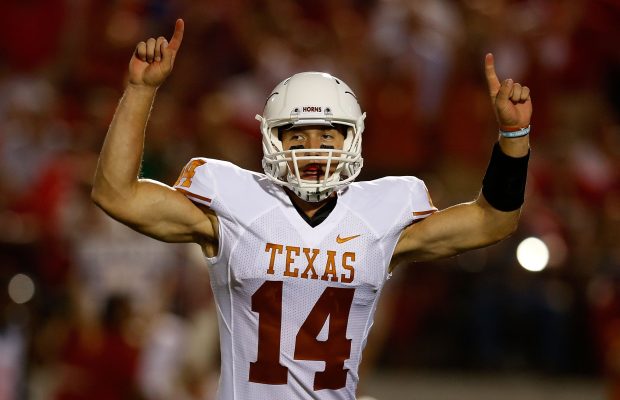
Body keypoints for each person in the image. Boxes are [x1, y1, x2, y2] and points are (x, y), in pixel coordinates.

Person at [91, 19, 532, 400]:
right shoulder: (235, 203)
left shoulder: (378, 215)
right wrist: (139, 90)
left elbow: (492, 221)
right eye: (297, 136)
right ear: (272, 141)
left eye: (328, 136)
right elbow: (116, 194)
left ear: (352, 140)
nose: (313, 148)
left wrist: (514, 138)